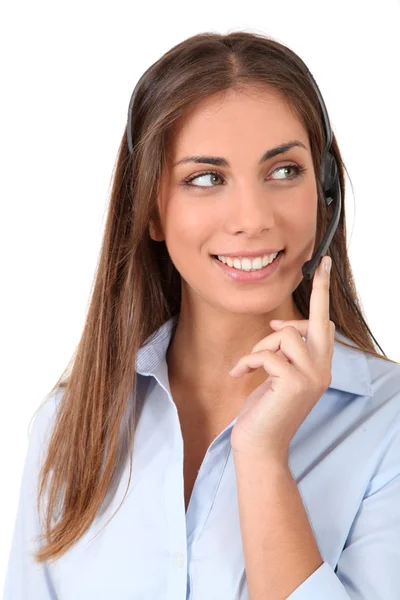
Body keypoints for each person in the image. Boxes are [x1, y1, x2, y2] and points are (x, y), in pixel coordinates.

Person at [3, 30, 400, 600]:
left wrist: (262, 459)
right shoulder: (70, 429)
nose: (252, 217)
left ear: (326, 193)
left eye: (284, 171)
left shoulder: (388, 425)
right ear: (151, 211)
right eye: (206, 179)